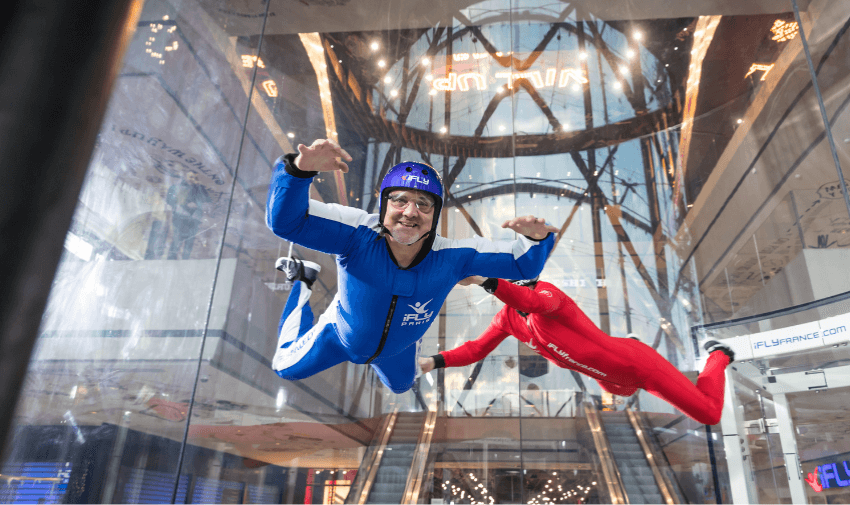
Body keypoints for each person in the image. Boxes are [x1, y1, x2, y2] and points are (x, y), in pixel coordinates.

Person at [266, 139, 558, 394]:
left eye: (423, 203)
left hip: (399, 350)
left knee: (401, 386)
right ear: (384, 205)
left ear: (435, 214)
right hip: (338, 335)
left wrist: (537, 238)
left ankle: (412, 344)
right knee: (283, 367)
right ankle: (303, 280)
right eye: (399, 200)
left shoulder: (453, 257)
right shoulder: (356, 234)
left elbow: (523, 266)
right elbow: (286, 222)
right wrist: (298, 170)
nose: (409, 212)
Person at [420, 276, 736, 425]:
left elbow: (533, 302)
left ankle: (717, 354)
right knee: (622, 393)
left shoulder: (548, 295)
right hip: (606, 377)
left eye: (520, 284)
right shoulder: (507, 319)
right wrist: (431, 363)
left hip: (638, 366)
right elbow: (476, 349)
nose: (518, 291)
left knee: (708, 414)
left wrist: (485, 281)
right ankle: (628, 341)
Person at [166, 170, 210, 259]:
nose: (192, 179)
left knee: (190, 242)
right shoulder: (177, 187)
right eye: (190, 176)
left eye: (195, 177)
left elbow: (208, 203)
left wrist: (198, 205)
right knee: (177, 240)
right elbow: (170, 200)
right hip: (180, 217)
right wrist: (184, 204)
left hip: (194, 219)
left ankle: (185, 261)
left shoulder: (201, 189)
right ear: (185, 176)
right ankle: (171, 260)